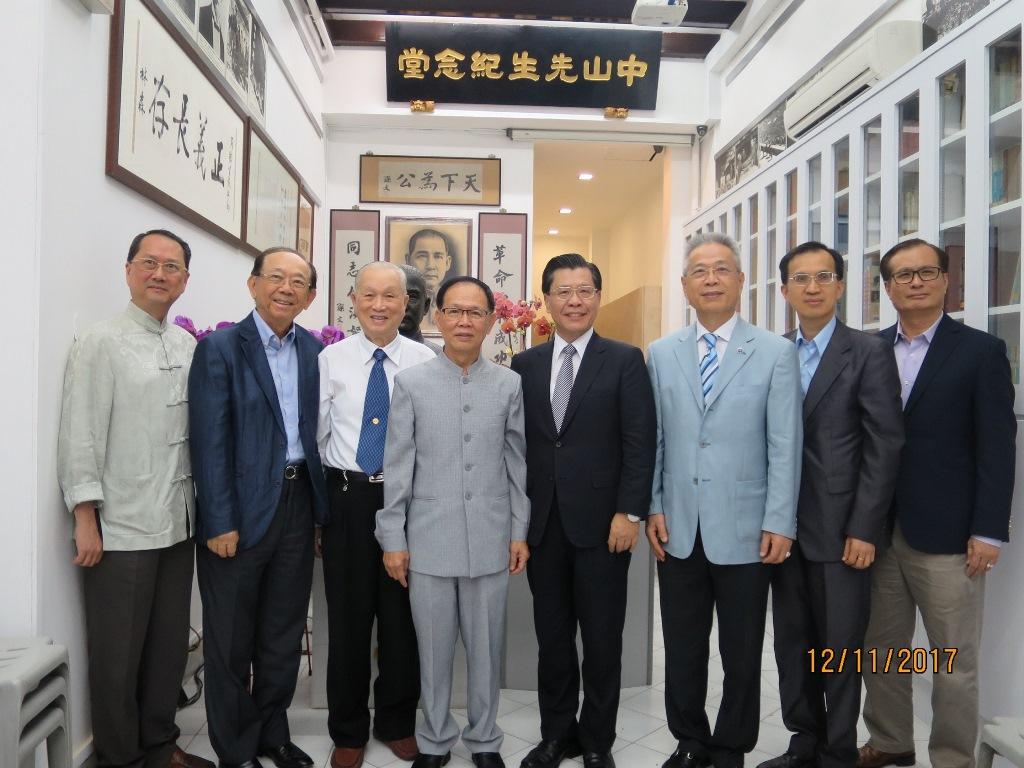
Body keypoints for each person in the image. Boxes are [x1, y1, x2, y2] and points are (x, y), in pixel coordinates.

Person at [858, 239, 1016, 768]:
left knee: (952, 661)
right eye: (903, 275)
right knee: (883, 652)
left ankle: (951, 756)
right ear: (888, 288)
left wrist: (988, 531)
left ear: (947, 281)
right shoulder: (869, 350)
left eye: (927, 271)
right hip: (879, 532)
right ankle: (889, 741)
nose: (916, 282)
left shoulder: (980, 352)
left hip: (951, 536)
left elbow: (996, 447)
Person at [646, 232, 801, 768]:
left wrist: (780, 520)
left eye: (721, 269)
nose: (710, 279)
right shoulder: (662, 354)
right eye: (699, 271)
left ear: (740, 280)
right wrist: (654, 505)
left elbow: (785, 445)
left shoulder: (776, 353)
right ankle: (689, 738)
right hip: (679, 526)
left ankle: (732, 745)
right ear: (686, 285)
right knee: (683, 649)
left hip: (747, 525)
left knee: (741, 651)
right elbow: (657, 439)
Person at [57, 229, 211, 768]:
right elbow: (81, 433)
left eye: (172, 267)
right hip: (121, 523)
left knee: (168, 647)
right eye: (150, 263)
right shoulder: (100, 341)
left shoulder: (187, 344)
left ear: (185, 281)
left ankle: (159, 745)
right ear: (128, 270)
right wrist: (85, 517)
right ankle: (120, 757)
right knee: (119, 653)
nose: (160, 274)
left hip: (178, 520)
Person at [756, 242, 903, 768]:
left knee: (838, 652)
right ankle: (804, 742)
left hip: (841, 532)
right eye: (800, 278)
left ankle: (838, 751)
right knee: (793, 647)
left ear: (840, 286)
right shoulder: (773, 353)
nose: (812, 287)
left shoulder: (866, 351)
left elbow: (884, 444)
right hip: (778, 529)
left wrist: (865, 528)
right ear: (784, 290)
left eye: (823, 277)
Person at [376, 276, 529, 768]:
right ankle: (436, 739)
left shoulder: (509, 384)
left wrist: (518, 531)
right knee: (434, 651)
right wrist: (393, 538)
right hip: (428, 540)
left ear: (490, 321)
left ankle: (484, 740)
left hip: (490, 537)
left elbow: (517, 465)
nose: (465, 321)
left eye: (475, 312)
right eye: (455, 311)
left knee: (487, 650)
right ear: (437, 317)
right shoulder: (411, 383)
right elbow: (397, 465)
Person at [510, 254, 656, 768]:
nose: (575, 300)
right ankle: (557, 734)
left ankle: (596, 739)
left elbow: (640, 443)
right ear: (547, 300)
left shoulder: (625, 359)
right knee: (551, 639)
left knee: (600, 640)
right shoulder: (524, 365)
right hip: (543, 524)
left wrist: (629, 512)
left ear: (597, 296)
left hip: (603, 526)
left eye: (585, 290)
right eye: (563, 291)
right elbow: (520, 447)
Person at [189, 247, 329, 768]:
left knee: (282, 631)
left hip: (297, 504)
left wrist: (317, 514)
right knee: (229, 638)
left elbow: (314, 437)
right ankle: (237, 746)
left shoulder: (314, 351)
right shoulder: (221, 349)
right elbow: (210, 442)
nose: (286, 288)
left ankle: (273, 732)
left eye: (298, 282)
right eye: (276, 278)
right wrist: (219, 519)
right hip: (240, 510)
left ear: (310, 296)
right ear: (253, 285)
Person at [317, 262, 435, 768]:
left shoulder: (425, 360)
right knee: (347, 622)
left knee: (401, 621)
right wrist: (325, 511)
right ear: (355, 299)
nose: (381, 305)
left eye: (392, 296)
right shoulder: (329, 360)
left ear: (406, 302)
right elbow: (318, 434)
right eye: (370, 295)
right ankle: (347, 732)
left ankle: (396, 722)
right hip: (348, 498)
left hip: (406, 502)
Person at [404, 229, 455, 329]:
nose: (430, 265)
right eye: (422, 256)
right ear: (408, 260)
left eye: (438, 256)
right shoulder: (397, 302)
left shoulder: (457, 302)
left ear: (447, 262)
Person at [398, 264, 442, 354]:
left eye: (412, 297)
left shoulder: (439, 357)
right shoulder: (365, 353)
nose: (404, 306)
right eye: (394, 296)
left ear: (426, 306)